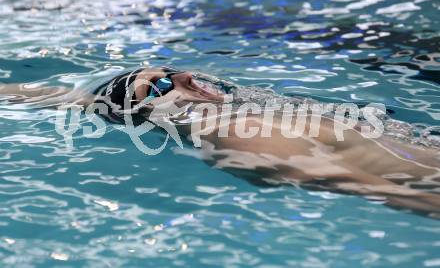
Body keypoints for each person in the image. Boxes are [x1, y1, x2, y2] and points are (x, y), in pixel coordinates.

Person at [1, 66, 440, 217]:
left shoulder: (248, 114)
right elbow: (378, 189)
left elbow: (77, 100)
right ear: (153, 116)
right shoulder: (234, 136)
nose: (187, 78)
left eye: (172, 71)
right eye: (159, 88)